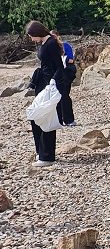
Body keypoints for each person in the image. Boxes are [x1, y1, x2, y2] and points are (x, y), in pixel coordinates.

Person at [25, 20, 65, 167]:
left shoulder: (51, 44)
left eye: (31, 36)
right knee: (36, 116)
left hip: (50, 85)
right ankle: (40, 152)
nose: (31, 39)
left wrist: (53, 82)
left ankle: (47, 157)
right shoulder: (43, 43)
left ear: (37, 33)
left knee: (46, 117)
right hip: (43, 83)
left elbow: (60, 68)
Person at [50, 30, 77, 127]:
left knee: (65, 95)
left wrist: (63, 59)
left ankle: (69, 120)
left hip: (67, 71)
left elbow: (70, 59)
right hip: (57, 72)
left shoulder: (65, 45)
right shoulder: (51, 47)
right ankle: (59, 120)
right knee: (57, 96)